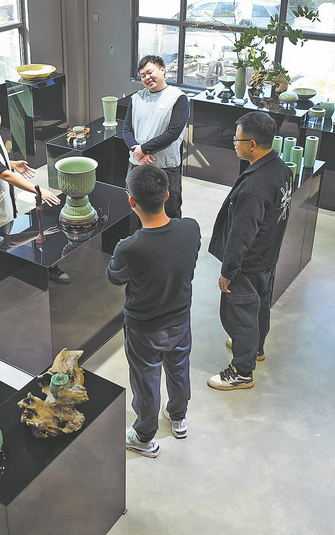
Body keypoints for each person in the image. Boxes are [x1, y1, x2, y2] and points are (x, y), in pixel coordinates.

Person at [106, 164, 200, 457]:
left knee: (146, 381)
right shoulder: (191, 229)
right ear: (167, 195)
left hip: (144, 328)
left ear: (131, 201)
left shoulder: (129, 248)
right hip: (180, 319)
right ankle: (178, 417)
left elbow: (114, 277)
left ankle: (145, 436)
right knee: (179, 369)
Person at [207, 111, 292, 390]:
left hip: (247, 263)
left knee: (241, 316)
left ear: (252, 145)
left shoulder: (254, 187)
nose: (234, 143)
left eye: (237, 139)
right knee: (259, 308)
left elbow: (241, 235)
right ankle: (256, 348)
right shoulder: (281, 168)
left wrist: (228, 271)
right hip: (267, 258)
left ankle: (242, 371)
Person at [0, 97, 66, 292]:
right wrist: (38, 190)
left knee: (6, 247)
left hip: (2, 207)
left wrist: (11, 163)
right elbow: (6, 175)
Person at [122, 55, 190, 219]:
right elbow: (126, 130)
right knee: (135, 210)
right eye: (143, 75)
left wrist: (144, 149)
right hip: (137, 164)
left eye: (150, 72)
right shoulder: (136, 98)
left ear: (162, 70)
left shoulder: (178, 98)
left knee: (169, 210)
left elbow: (173, 133)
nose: (147, 77)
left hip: (166, 167)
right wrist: (139, 153)